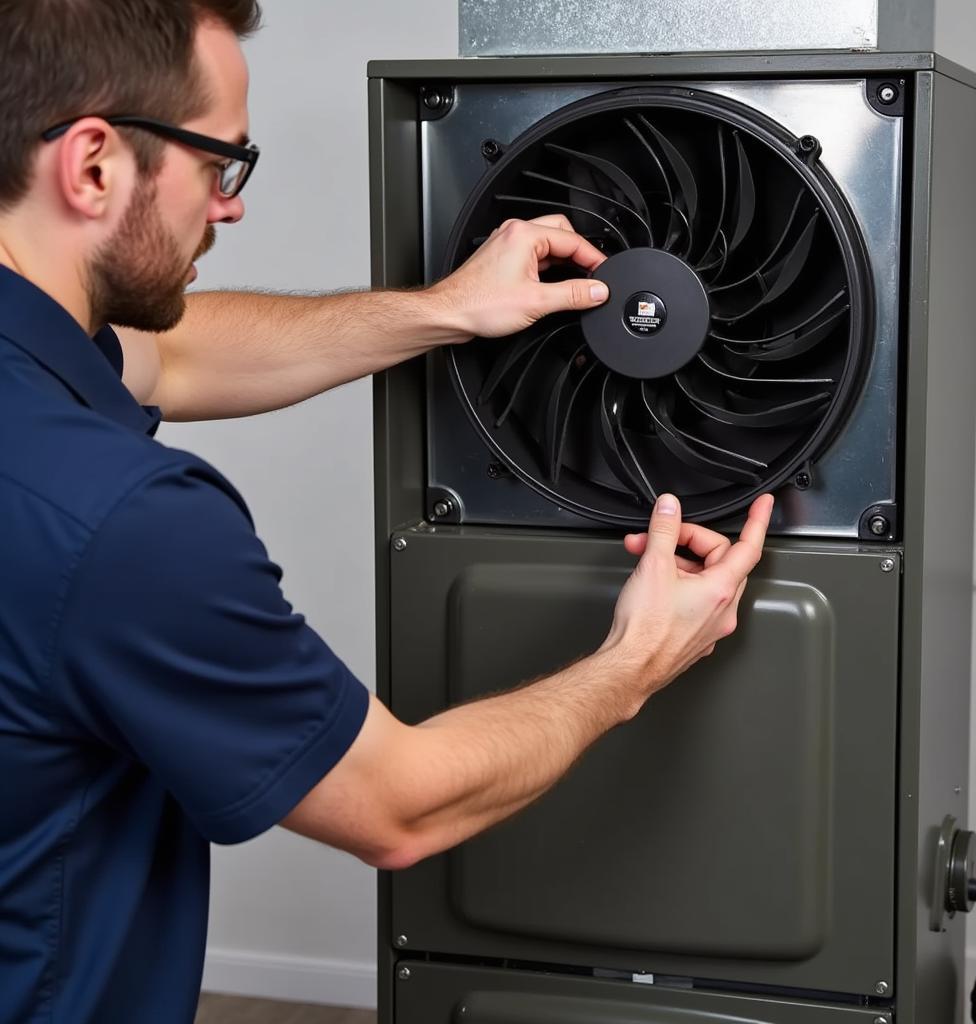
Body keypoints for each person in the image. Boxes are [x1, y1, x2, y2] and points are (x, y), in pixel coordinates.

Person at [0, 1, 773, 1022]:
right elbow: (399, 803)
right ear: (94, 164)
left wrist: (449, 307)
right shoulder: (124, 524)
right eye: (219, 164)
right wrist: (637, 658)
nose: (227, 208)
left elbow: (172, 355)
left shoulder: (43, 400)